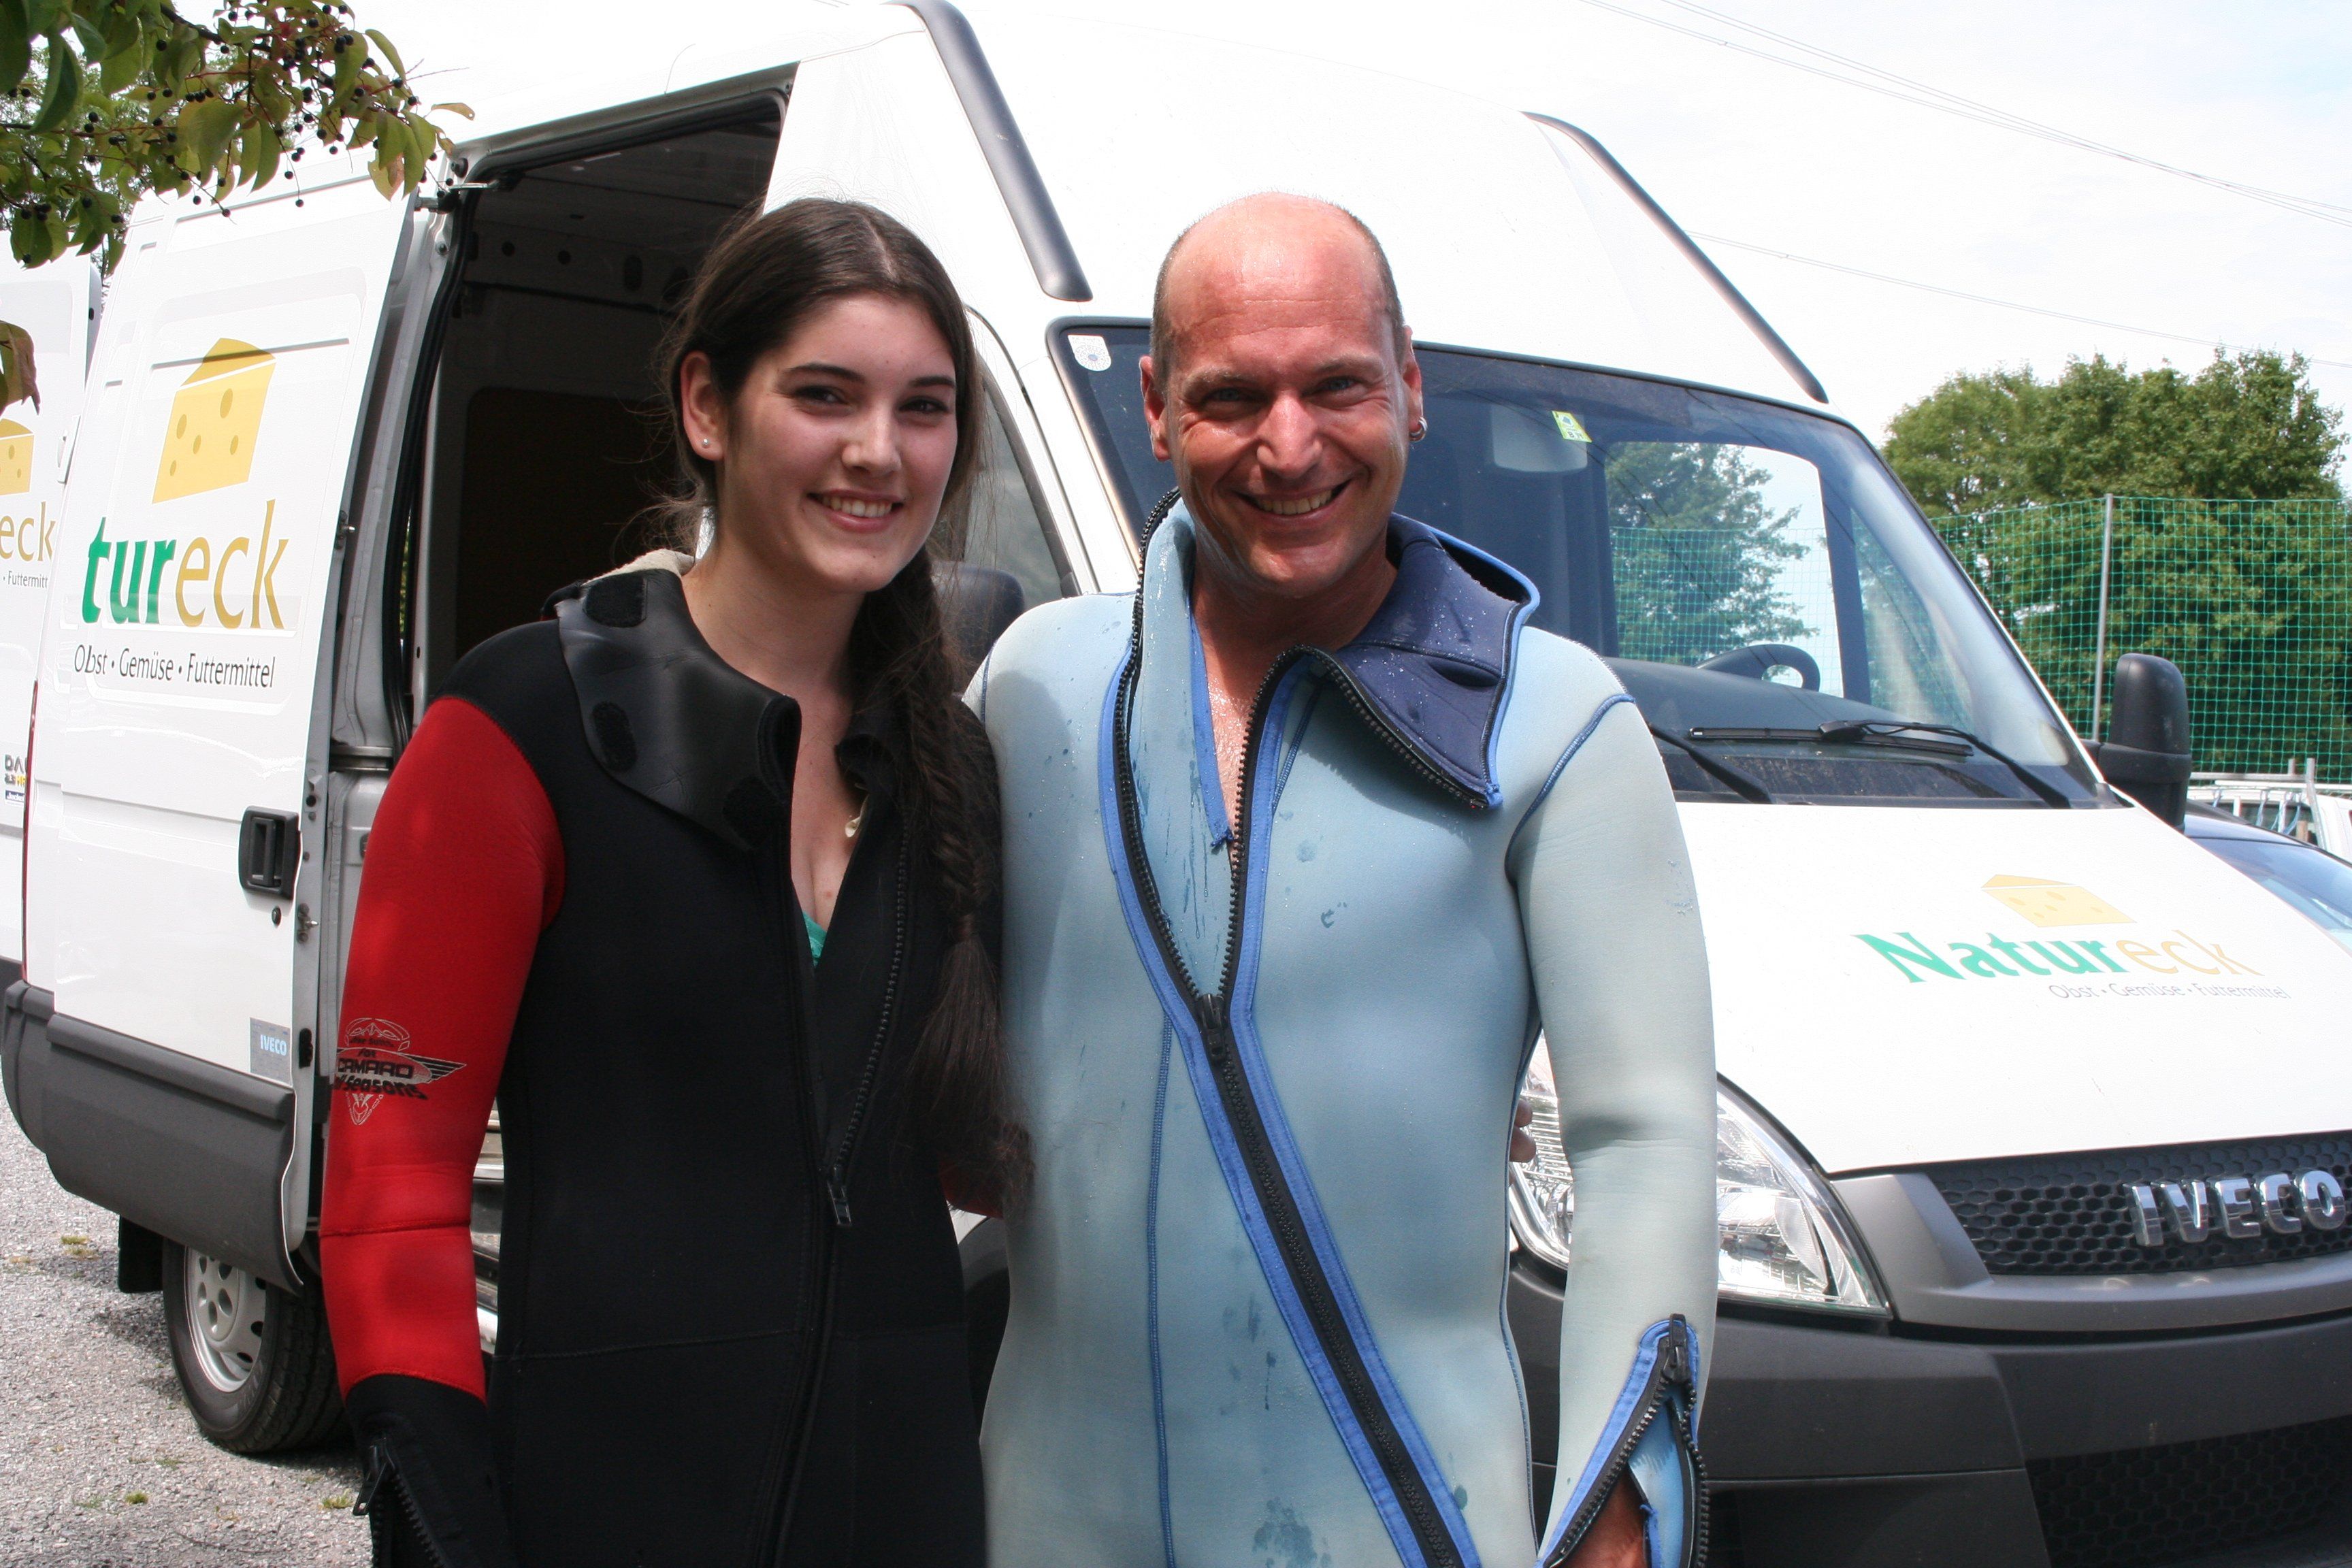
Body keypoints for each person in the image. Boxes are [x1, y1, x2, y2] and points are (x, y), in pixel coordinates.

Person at [971, 193, 1718, 1568]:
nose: (1290, 444)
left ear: (1410, 388)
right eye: (1231, 396)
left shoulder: (1553, 724)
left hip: (1405, 1522)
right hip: (1050, 1520)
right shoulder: (1033, 686)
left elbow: (1643, 1141)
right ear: (1156, 409)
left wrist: (1622, 1504)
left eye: (1336, 387)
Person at [318, 197, 1018, 1568]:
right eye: (825, 395)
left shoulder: (956, 769)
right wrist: (447, 1528)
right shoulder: (523, 724)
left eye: (924, 409)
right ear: (708, 404)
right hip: (603, 1510)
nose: (879, 451)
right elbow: (391, 1192)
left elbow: (980, 1161)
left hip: (904, 1516)